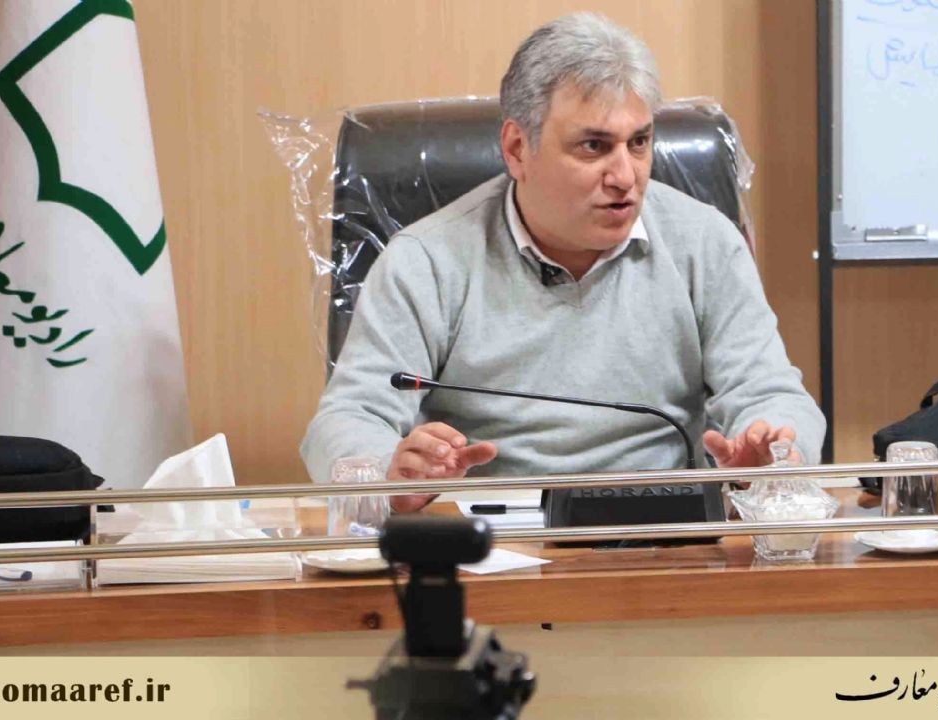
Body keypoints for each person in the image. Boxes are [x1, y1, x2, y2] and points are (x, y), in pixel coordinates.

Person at [300, 12, 825, 512]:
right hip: (493, 541)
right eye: (594, 146)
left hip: (663, 530)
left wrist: (775, 453)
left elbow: (772, 394)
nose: (625, 176)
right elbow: (347, 419)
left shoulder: (705, 243)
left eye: (639, 142)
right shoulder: (428, 261)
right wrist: (387, 474)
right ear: (517, 148)